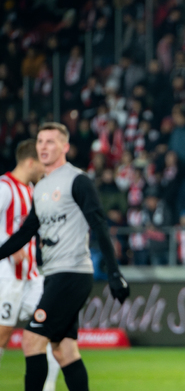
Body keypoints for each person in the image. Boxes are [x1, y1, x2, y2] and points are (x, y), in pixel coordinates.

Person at [0, 123, 130, 391]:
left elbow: (99, 224)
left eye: (50, 142)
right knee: (64, 350)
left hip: (72, 274)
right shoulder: (41, 187)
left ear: (65, 147)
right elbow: (25, 233)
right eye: (40, 142)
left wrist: (114, 273)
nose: (44, 147)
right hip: (54, 275)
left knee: (31, 340)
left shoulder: (77, 180)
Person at [0, 139, 59, 391]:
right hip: (6, 276)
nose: (45, 166)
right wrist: (8, 246)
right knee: (2, 335)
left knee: (52, 329)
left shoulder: (33, 190)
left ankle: (47, 388)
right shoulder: (4, 187)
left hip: (33, 275)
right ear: (30, 161)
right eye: (42, 160)